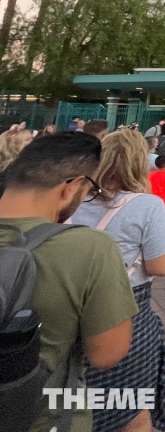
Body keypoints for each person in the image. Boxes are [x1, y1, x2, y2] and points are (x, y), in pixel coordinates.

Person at [0, 133, 138, 432]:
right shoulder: (90, 248)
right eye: (88, 192)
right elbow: (107, 353)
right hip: (44, 419)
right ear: (71, 187)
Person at [71, 129, 165, 432]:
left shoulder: (74, 199)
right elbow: (160, 265)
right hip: (126, 313)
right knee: (131, 410)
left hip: (73, 308)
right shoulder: (146, 205)